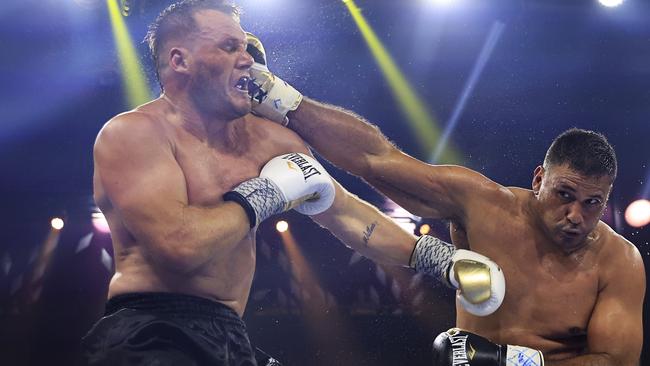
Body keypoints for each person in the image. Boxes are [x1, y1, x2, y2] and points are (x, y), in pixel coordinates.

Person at [81, 1, 506, 365]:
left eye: (246, 46)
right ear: (180, 61)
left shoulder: (267, 140)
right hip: (152, 332)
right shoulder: (134, 134)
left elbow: (346, 214)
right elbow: (180, 247)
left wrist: (440, 260)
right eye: (229, 47)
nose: (246, 57)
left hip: (230, 333)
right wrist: (266, 194)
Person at [245, 33, 646, 365]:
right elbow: (377, 159)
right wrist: (275, 97)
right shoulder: (484, 204)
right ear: (539, 178)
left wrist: (512, 362)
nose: (576, 215)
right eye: (565, 195)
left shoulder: (618, 260)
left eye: (593, 203)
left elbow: (616, 361)